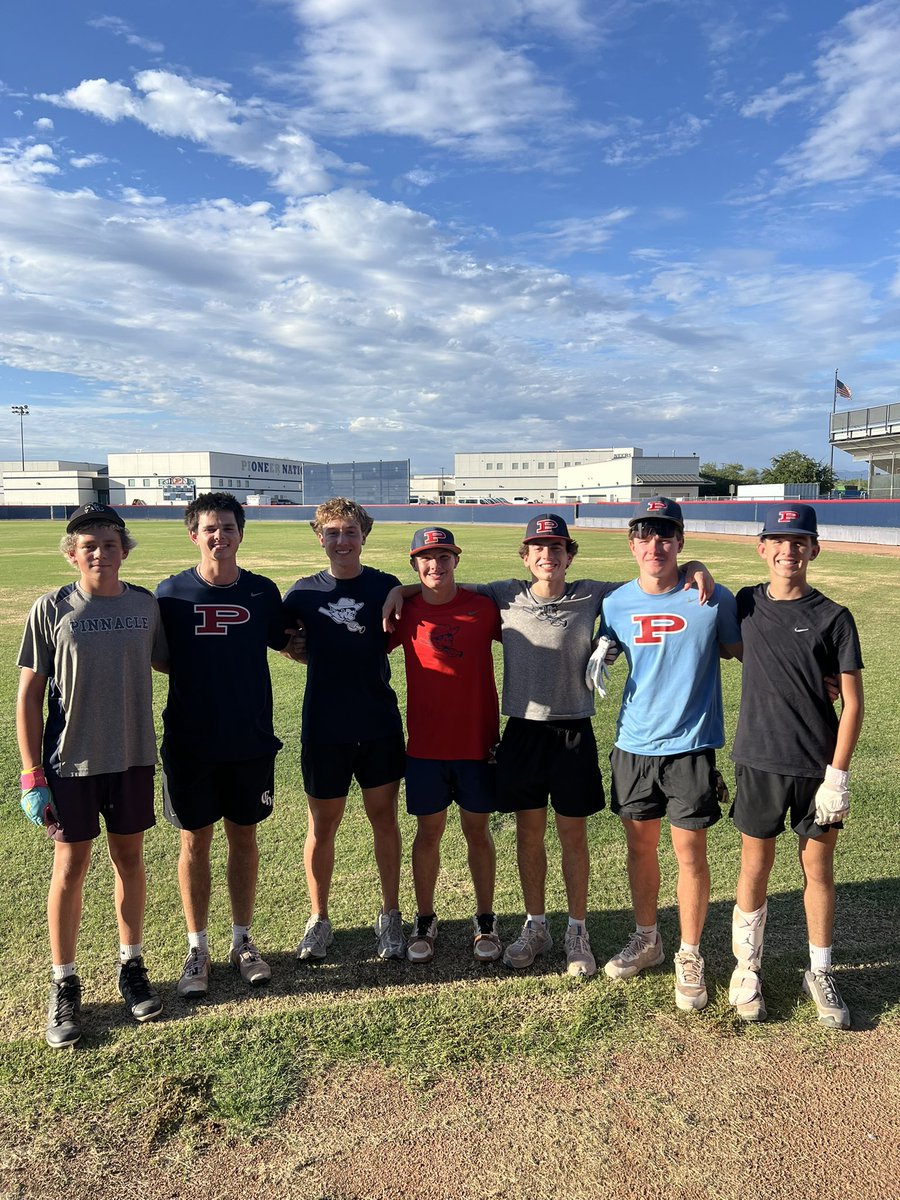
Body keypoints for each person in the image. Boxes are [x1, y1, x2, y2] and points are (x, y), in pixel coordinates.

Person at [385, 512, 713, 979]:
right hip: (522, 732)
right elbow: (442, 585)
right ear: (525, 556)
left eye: (556, 548)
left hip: (573, 731)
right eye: (537, 549)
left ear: (569, 555)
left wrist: (694, 564)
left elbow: (653, 578)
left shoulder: (594, 593)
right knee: (528, 834)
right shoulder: (504, 593)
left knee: (573, 836)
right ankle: (535, 925)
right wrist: (401, 589)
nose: (547, 556)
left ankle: (575, 930)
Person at [16, 503, 167, 1047]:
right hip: (70, 761)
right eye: (88, 545)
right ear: (73, 554)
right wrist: (32, 773)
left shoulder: (147, 606)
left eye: (109, 542)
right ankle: (65, 981)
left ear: (124, 550)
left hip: (132, 759)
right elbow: (29, 697)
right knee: (71, 865)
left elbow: (172, 662)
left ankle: (131, 965)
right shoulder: (52, 607)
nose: (100, 552)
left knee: (130, 860)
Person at [599, 498, 741, 1011]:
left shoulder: (711, 597)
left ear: (680, 542)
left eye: (665, 536)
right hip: (633, 744)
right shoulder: (615, 603)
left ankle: (689, 951)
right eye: (645, 535)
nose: (654, 545)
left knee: (689, 854)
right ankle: (647, 938)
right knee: (639, 850)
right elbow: (607, 641)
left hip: (691, 747)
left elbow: (750, 651)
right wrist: (602, 647)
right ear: (632, 542)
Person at [729, 504, 864, 1029]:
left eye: (800, 540)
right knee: (754, 868)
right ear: (762, 548)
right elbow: (729, 642)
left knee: (818, 871)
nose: (789, 550)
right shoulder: (744, 604)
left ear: (814, 549)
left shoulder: (835, 616)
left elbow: (852, 703)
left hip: (816, 766)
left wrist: (838, 776)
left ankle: (821, 970)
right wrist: (697, 570)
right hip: (758, 760)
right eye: (778, 540)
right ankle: (747, 968)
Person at [155, 492, 291, 999]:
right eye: (210, 528)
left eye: (228, 527)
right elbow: (159, 657)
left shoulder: (261, 591)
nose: (220, 536)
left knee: (244, 840)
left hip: (250, 742)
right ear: (194, 534)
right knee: (194, 842)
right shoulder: (170, 594)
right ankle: (198, 947)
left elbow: (288, 643)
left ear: (241, 532)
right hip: (189, 744)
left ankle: (242, 941)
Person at [283, 498, 407, 962]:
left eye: (350, 531)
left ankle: (390, 915)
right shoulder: (301, 593)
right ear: (320, 537)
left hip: (377, 722)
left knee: (384, 820)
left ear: (364, 535)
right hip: (324, 726)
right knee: (322, 825)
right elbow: (282, 637)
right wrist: (293, 648)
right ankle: (319, 918)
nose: (342, 540)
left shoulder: (385, 586)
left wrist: (406, 591)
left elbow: (421, 597)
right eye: (332, 532)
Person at [387, 526, 503, 963]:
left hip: (477, 746)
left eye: (444, 557)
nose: (436, 565)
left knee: (478, 831)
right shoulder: (405, 611)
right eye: (426, 559)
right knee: (428, 832)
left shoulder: (484, 609)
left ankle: (486, 918)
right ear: (416, 564)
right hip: (425, 749)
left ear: (457, 560)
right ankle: (425, 917)